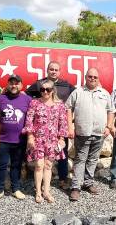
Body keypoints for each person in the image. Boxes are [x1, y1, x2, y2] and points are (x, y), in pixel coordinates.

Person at [66, 68, 115, 201]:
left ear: (98, 79)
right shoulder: (78, 92)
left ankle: (88, 183)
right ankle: (75, 187)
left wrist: (109, 126)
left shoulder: (104, 93)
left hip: (99, 133)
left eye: (95, 77)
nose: (92, 79)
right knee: (80, 159)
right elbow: (68, 108)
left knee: (93, 160)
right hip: (82, 133)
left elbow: (111, 111)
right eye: (90, 76)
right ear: (86, 77)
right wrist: (70, 126)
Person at [25, 61, 75, 190]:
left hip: (56, 134)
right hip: (39, 135)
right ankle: (39, 189)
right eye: (51, 69)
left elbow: (77, 97)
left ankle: (62, 179)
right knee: (40, 164)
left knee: (60, 157)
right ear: (47, 70)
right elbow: (25, 95)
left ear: (59, 71)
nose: (53, 71)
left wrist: (63, 135)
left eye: (56, 69)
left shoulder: (67, 85)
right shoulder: (38, 84)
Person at [22, 79, 68, 203]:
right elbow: (29, 121)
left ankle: (46, 191)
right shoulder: (34, 103)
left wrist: (61, 139)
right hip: (38, 140)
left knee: (48, 166)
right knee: (38, 165)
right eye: (42, 89)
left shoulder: (60, 105)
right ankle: (38, 192)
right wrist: (30, 137)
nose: (45, 92)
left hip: (53, 140)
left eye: (48, 89)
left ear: (53, 91)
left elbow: (63, 124)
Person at [0, 75, 32, 203]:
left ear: (21, 85)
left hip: (20, 140)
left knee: (16, 165)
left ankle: (16, 189)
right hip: (2, 140)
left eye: (16, 83)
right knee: (1, 165)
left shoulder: (27, 99)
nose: (14, 86)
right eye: (11, 83)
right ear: (7, 85)